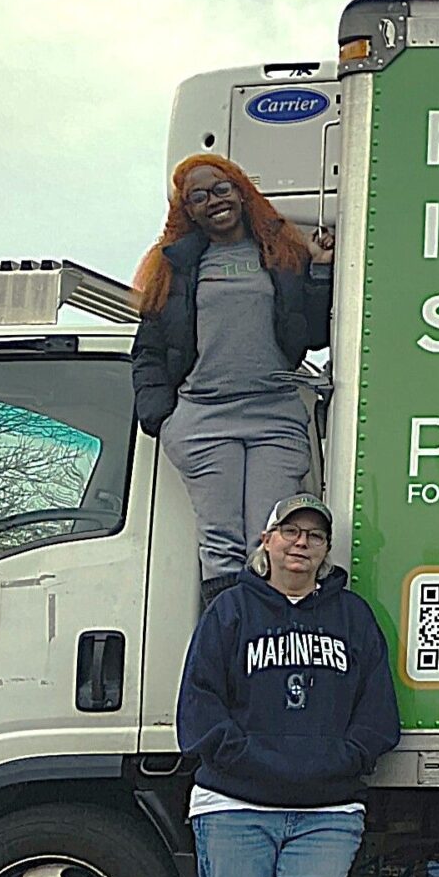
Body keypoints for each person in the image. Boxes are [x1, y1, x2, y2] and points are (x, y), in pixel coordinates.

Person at [176, 494, 400, 877]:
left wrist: (337, 759)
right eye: (290, 532)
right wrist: (254, 760)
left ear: (326, 552)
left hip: (327, 814)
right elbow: (199, 711)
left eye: (315, 535)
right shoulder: (229, 614)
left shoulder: (353, 618)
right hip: (233, 808)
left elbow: (378, 716)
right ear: (266, 543)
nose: (302, 543)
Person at [133, 154, 336, 604]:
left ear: (241, 191)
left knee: (272, 545)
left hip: (274, 417)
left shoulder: (282, 251)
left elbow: (316, 333)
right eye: (198, 197)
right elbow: (147, 350)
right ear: (187, 210)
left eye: (221, 189)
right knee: (221, 549)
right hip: (204, 419)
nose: (214, 201)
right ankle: (228, 653)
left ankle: (268, 648)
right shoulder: (173, 267)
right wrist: (160, 417)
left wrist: (320, 269)